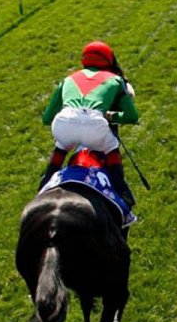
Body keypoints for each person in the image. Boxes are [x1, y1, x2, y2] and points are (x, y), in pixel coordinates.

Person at [40, 40, 140, 211]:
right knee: (111, 145)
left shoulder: (68, 79)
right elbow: (132, 116)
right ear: (109, 61)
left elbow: (47, 118)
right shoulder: (116, 80)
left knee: (62, 144)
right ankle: (121, 190)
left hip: (64, 122)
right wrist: (110, 116)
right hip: (95, 126)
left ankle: (45, 182)